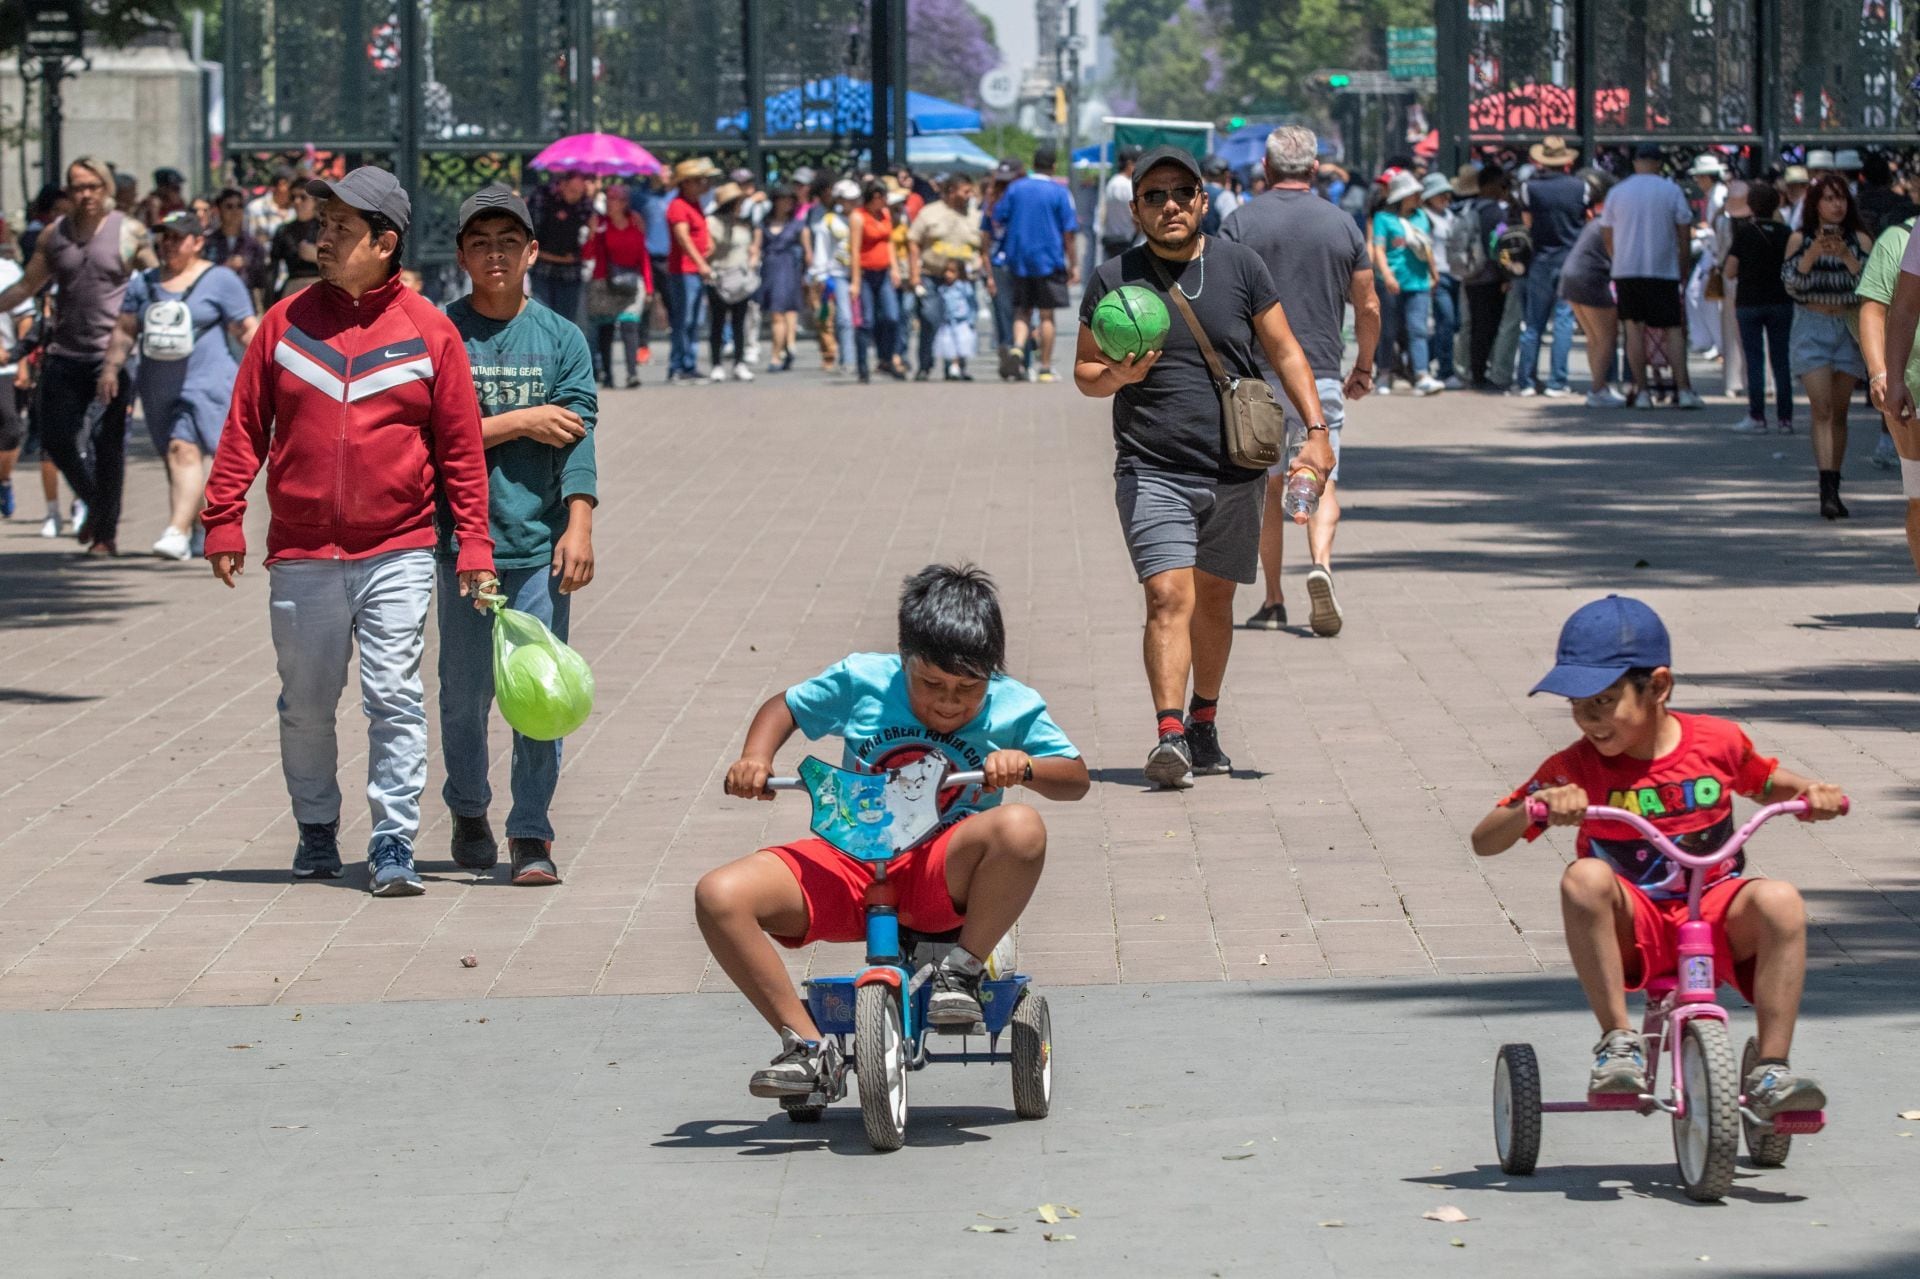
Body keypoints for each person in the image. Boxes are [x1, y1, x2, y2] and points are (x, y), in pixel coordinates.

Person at [201, 166, 496, 895]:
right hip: (302, 553)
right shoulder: (284, 323)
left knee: (393, 693)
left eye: (339, 227)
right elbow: (244, 427)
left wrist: (476, 546)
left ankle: (393, 838)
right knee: (305, 702)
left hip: (398, 548)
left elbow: (460, 451)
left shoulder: (431, 333)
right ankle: (316, 827)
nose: (322, 235)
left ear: (384, 241)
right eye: (322, 222)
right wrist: (223, 517)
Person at [699, 564, 1089, 1098]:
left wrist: (1025, 766)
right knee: (719, 895)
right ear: (904, 658)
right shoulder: (865, 679)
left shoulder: (1013, 703)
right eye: (931, 684)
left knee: (1021, 827)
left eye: (967, 689)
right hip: (852, 856)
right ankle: (807, 1046)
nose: (949, 702)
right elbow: (785, 707)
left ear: (992, 676)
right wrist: (755, 758)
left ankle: (963, 969)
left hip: (941, 872)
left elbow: (1075, 778)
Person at [1471, 596, 1842, 1114]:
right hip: (1633, 924)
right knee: (1585, 877)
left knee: (1780, 899)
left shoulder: (1717, 741)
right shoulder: (1574, 766)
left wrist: (1814, 794)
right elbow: (1484, 840)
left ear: (1659, 687)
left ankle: (1771, 1070)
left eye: (1603, 701)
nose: (1588, 719)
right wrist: (1536, 808)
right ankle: (1618, 1041)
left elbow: (1765, 782)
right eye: (1576, 705)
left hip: (1714, 910)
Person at [1073, 146, 1335, 788]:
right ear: (1134, 209)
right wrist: (1116, 376)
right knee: (1168, 595)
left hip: (1236, 467)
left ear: (1203, 200)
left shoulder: (1240, 266)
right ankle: (1169, 734)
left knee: (1215, 601)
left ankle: (1204, 722)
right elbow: (1084, 372)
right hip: (1151, 464)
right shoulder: (1114, 279)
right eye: (1155, 196)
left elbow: (1287, 351)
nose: (1170, 206)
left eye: (1181, 194)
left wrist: (1318, 433)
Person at [439, 184, 598, 887]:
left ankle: (530, 830)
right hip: (460, 545)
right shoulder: (441, 334)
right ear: (462, 255)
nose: (495, 253)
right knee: (465, 692)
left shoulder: (562, 338)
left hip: (539, 545)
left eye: (509, 240)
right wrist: (522, 420)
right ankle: (469, 808)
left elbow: (579, 439)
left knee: (540, 689)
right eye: (481, 242)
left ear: (533, 250)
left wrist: (581, 522)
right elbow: (428, 441)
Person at [1221, 124, 1378, 637]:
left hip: (1256, 381)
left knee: (1268, 490)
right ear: (1315, 170)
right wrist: (1364, 366)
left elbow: (1219, 302)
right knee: (1321, 474)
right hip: (1323, 375)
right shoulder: (1343, 226)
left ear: (1265, 169)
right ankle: (1321, 566)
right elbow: (1368, 305)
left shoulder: (1239, 222)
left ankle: (1271, 599)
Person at [0, 157, 156, 555]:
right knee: (55, 437)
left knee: (108, 444)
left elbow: (157, 282)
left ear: (105, 188)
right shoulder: (55, 236)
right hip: (65, 353)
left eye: (92, 186)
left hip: (115, 356)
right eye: (77, 187)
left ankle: (105, 534)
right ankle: (97, 504)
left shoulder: (130, 231)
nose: (85, 194)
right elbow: (27, 287)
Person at [101, 212, 257, 560]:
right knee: (176, 454)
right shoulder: (143, 284)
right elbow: (126, 330)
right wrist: (110, 369)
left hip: (208, 382)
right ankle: (198, 524)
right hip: (157, 385)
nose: (168, 244)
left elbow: (246, 329)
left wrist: (274, 372)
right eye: (163, 237)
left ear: (198, 242)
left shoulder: (220, 280)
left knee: (183, 449)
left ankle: (176, 529)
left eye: (177, 237)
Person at [1782, 174, 1872, 519]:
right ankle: (1826, 491)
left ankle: (1836, 480)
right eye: (1829, 198)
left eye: (1842, 199)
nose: (1837, 205)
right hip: (1811, 325)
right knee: (1821, 410)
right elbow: (1791, 285)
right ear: (1815, 204)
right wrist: (1812, 254)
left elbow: (1870, 283)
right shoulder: (1799, 239)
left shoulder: (1860, 239)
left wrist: (1849, 257)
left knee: (1840, 411)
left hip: (1847, 327)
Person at [1602, 143, 1704, 409]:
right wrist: (1682, 266)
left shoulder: (1617, 192)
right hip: (1662, 269)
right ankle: (1683, 389)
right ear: (1659, 163)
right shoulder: (1671, 191)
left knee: (1633, 330)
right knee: (1673, 330)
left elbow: (1607, 232)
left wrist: (1617, 258)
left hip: (1627, 270)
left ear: (1635, 162)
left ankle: (1643, 390)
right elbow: (1684, 230)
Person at [1856, 211, 1920, 626]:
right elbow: (1897, 308)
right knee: (1919, 497)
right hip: (1917, 388)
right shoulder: (1902, 238)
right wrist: (1887, 376)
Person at [993, 146, 1079, 382]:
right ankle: (1044, 367)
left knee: (1022, 310)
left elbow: (998, 218)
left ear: (1033, 163)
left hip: (1019, 260)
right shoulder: (1060, 193)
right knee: (1047, 316)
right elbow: (1068, 232)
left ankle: (1018, 346)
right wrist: (1074, 264)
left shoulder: (1015, 189)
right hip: (1049, 261)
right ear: (1053, 166)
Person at [1514, 135, 1586, 397]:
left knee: (1533, 323)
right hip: (1570, 258)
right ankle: (1557, 381)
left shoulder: (1529, 188)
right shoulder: (1580, 187)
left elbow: (1527, 223)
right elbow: (1584, 218)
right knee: (1564, 321)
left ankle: (1526, 381)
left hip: (1541, 259)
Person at [1723, 180, 1795, 435]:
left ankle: (1757, 416)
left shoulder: (1745, 232)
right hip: (1781, 301)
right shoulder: (1787, 233)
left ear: (1751, 205)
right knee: (1781, 360)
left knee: (1754, 360)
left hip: (1749, 302)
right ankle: (1785, 419)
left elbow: (1730, 271)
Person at [907, 173, 984, 381]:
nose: (970, 196)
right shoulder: (930, 213)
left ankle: (957, 366)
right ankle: (925, 364)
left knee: (961, 322)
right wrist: (914, 275)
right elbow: (913, 241)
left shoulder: (974, 216)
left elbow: (984, 245)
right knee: (931, 319)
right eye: (965, 191)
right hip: (933, 276)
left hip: (963, 280)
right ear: (951, 191)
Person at [1371, 171, 1442, 396]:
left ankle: (1421, 373)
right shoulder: (1383, 219)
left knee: (1418, 329)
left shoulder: (1422, 216)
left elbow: (1426, 247)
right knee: (1387, 331)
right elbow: (1379, 249)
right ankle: (1384, 373)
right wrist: (1387, 275)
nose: (1418, 196)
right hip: (1391, 283)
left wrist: (1433, 271)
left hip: (1418, 282)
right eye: (1413, 193)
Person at [1559, 171, 1624, 406]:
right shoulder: (1611, 220)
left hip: (1571, 277)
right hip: (1592, 278)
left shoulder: (1597, 220)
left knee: (1594, 338)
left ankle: (1598, 388)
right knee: (1606, 337)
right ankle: (1598, 389)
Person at [586, 180, 652, 389]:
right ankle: (607, 373)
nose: (611, 203)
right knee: (605, 329)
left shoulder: (635, 221)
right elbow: (589, 253)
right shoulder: (600, 222)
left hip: (632, 281)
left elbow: (643, 255)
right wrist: (592, 234)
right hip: (604, 281)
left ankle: (632, 373)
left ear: (625, 202)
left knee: (629, 326)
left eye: (616, 199)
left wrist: (649, 285)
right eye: (609, 198)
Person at [1456, 164, 1511, 389]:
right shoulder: (1496, 213)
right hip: (1490, 278)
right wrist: (1505, 275)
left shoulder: (1470, 209)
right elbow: (1499, 247)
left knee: (1475, 325)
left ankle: (1473, 370)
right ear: (1490, 186)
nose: (1503, 189)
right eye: (1501, 185)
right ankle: (1480, 373)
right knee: (1487, 327)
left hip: (1470, 275)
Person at [664, 157, 718, 382]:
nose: (702, 185)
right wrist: (701, 263)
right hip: (684, 271)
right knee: (684, 319)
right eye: (697, 181)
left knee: (695, 320)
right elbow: (683, 239)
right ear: (685, 183)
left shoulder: (695, 204)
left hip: (694, 270)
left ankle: (689, 363)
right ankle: (679, 365)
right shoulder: (678, 206)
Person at [704, 181, 761, 383]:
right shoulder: (711, 223)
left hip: (741, 277)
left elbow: (751, 247)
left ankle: (739, 363)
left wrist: (753, 259)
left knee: (740, 323)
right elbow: (709, 250)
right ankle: (716, 364)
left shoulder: (744, 224)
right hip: (719, 276)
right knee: (718, 323)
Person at [848, 180, 901, 385]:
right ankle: (862, 366)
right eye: (884, 197)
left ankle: (886, 358)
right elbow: (854, 249)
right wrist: (855, 281)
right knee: (866, 320)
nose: (886, 201)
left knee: (891, 316)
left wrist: (894, 267)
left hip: (884, 272)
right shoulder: (858, 217)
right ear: (875, 197)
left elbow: (889, 241)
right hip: (865, 273)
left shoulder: (885, 215)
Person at [529, 170, 591, 335]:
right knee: (542, 321)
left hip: (571, 275)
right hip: (543, 271)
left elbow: (589, 242)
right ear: (562, 185)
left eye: (580, 192)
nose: (575, 196)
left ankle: (562, 359)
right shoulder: (542, 199)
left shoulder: (585, 204)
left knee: (565, 324)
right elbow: (529, 239)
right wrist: (559, 258)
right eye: (572, 191)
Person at [757, 184, 809, 373]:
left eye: (789, 200)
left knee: (784, 312)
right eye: (782, 200)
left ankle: (776, 355)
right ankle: (786, 349)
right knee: (777, 313)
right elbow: (756, 248)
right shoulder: (764, 223)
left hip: (790, 269)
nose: (786, 203)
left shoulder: (798, 225)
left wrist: (808, 276)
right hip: (770, 269)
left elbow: (808, 253)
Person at [0, 249, 34, 520]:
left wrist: (22, 360)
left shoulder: (9, 271)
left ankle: (4, 480)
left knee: (11, 428)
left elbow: (25, 317)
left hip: (6, 365)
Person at [809, 179, 857, 374]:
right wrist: (821, 276)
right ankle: (848, 360)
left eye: (854, 199)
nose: (851, 202)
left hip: (861, 273)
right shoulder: (828, 221)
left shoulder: (861, 217)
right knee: (844, 318)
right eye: (847, 199)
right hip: (838, 275)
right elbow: (821, 251)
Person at [1421, 172, 1462, 389]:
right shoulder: (1424, 217)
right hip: (1437, 275)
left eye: (1447, 195)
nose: (1445, 199)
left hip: (1456, 274)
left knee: (1454, 323)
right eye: (1440, 195)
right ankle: (1445, 370)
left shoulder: (1450, 215)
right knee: (1445, 320)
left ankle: (1422, 358)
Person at [202, 187, 269, 303]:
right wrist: (225, 267)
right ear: (218, 210)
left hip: (245, 304)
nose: (235, 211)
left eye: (239, 206)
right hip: (214, 301)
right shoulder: (207, 242)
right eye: (229, 206)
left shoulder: (254, 245)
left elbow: (261, 282)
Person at [267, 186, 322, 300]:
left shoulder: (325, 228)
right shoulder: (283, 231)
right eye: (293, 197)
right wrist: (269, 300)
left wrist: (317, 256)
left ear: (315, 201)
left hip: (322, 287)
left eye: (303, 197)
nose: (297, 202)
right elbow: (273, 270)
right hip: (293, 287)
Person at [932, 258, 978, 380]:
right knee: (949, 346)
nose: (948, 275)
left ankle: (960, 368)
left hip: (961, 321)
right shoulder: (942, 289)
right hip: (947, 322)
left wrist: (971, 319)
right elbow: (940, 306)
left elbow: (972, 303)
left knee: (962, 346)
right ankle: (951, 368)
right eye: (946, 271)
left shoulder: (964, 288)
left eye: (952, 272)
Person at [1101, 146, 1140, 261]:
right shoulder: (1127, 185)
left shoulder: (1111, 183)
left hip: (1111, 240)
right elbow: (1135, 218)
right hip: (1127, 241)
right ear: (1129, 164)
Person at [244, 165, 298, 247]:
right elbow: (249, 242)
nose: (296, 191)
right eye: (294, 186)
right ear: (282, 184)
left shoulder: (297, 209)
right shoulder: (256, 208)